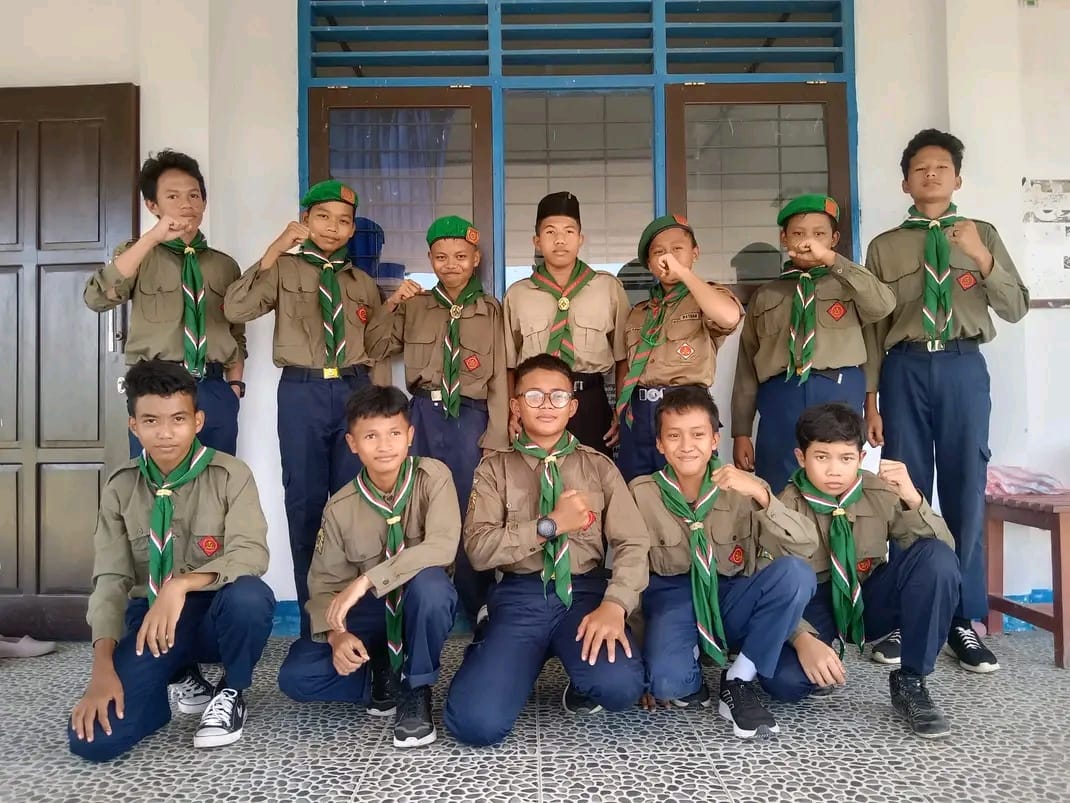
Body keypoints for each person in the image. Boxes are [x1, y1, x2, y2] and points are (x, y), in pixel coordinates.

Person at [862, 130, 1029, 672]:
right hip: (904, 367)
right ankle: (910, 612)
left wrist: (979, 255)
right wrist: (871, 400)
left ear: (957, 178)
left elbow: (1016, 307)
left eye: (940, 167)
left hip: (962, 365)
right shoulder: (885, 246)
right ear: (905, 183)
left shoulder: (984, 234)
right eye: (920, 168)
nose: (930, 174)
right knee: (903, 490)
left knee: (964, 489)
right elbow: (873, 328)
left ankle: (962, 618)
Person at [68, 360, 274, 761]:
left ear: (197, 421)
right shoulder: (120, 487)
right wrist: (102, 667)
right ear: (134, 426)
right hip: (153, 622)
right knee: (93, 742)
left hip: (213, 614)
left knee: (250, 596)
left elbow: (251, 553)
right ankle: (174, 678)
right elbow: (110, 579)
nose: (165, 432)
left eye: (178, 419)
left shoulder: (230, 475)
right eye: (151, 420)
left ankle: (232, 690)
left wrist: (181, 585)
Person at [443, 354, 648, 746]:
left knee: (621, 687)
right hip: (520, 596)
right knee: (474, 724)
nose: (547, 405)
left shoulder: (599, 467)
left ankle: (577, 674)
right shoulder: (494, 469)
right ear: (516, 405)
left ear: (573, 406)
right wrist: (549, 525)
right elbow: (479, 550)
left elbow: (633, 541)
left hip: (584, 593)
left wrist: (615, 604)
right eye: (534, 396)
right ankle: (499, 648)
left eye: (558, 396)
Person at [223, 179, 385, 637]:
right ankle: (316, 626)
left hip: (355, 391)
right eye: (323, 218)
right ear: (306, 221)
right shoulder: (283, 269)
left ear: (352, 229)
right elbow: (235, 308)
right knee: (306, 505)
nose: (333, 227)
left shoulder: (363, 283)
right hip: (302, 392)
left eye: (343, 221)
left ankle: (359, 623)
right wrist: (275, 247)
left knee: (359, 506)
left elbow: (377, 348)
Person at [761, 403, 960, 739]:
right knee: (783, 683)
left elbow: (944, 555)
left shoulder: (878, 492)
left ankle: (911, 680)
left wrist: (913, 499)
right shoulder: (784, 506)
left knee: (935, 558)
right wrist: (802, 639)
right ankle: (821, 654)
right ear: (801, 457)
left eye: (846, 458)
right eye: (821, 457)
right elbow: (768, 586)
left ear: (861, 457)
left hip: (868, 595)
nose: (834, 470)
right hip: (813, 605)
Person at [277, 385, 459, 748]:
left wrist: (365, 581)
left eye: (394, 433)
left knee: (433, 587)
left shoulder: (433, 477)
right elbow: (323, 586)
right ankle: (379, 673)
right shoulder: (340, 507)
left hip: (417, 605)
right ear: (352, 443)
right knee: (296, 677)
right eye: (371, 436)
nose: (384, 445)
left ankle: (415, 688)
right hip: (370, 615)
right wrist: (336, 636)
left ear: (410, 436)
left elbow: (442, 546)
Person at [630, 386, 815, 739]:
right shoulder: (641, 493)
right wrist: (641, 661)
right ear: (659, 444)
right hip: (673, 599)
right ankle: (688, 661)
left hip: (731, 596)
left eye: (698, 434)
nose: (687, 445)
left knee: (795, 574)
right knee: (667, 683)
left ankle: (738, 679)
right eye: (674, 436)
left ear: (715, 440)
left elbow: (804, 543)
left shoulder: (744, 487)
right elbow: (632, 573)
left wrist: (760, 494)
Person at [364, 215, 508, 627]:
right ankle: (425, 598)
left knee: (468, 506)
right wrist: (392, 302)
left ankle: (476, 602)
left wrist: (496, 435)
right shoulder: (415, 306)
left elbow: (500, 375)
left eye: (461, 256)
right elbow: (375, 346)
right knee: (418, 503)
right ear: (430, 259)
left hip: (471, 417)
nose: (451, 264)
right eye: (441, 257)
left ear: (475, 259)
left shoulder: (490, 310)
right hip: (424, 413)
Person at [83, 150, 245, 456]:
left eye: (194, 195)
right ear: (152, 205)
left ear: (204, 202)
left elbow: (236, 331)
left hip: (213, 389)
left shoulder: (225, 266)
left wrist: (235, 387)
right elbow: (97, 298)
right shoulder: (138, 255)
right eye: (173, 196)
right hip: (157, 388)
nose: (187, 204)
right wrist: (151, 239)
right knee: (157, 480)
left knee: (217, 477)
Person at [731, 194, 894, 496]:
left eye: (819, 234)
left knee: (836, 478)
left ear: (834, 239)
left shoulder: (851, 286)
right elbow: (746, 368)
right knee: (779, 483)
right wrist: (741, 431)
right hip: (781, 395)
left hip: (838, 390)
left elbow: (883, 305)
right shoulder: (767, 295)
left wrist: (832, 261)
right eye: (798, 233)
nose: (808, 242)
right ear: (784, 238)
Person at [615, 215, 743, 483]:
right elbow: (627, 367)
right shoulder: (638, 313)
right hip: (638, 415)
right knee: (636, 490)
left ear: (695, 253)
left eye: (677, 249)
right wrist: (619, 411)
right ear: (649, 264)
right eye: (658, 252)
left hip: (686, 411)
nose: (667, 257)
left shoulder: (705, 299)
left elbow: (729, 317)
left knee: (688, 489)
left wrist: (684, 273)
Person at [502, 192, 630, 455]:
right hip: (536, 403)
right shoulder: (517, 295)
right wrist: (512, 410)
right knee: (534, 473)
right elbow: (509, 365)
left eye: (569, 231)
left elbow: (623, 358)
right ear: (537, 241)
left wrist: (621, 408)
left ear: (580, 239)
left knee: (591, 474)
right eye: (550, 232)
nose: (560, 240)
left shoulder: (608, 288)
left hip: (589, 401)